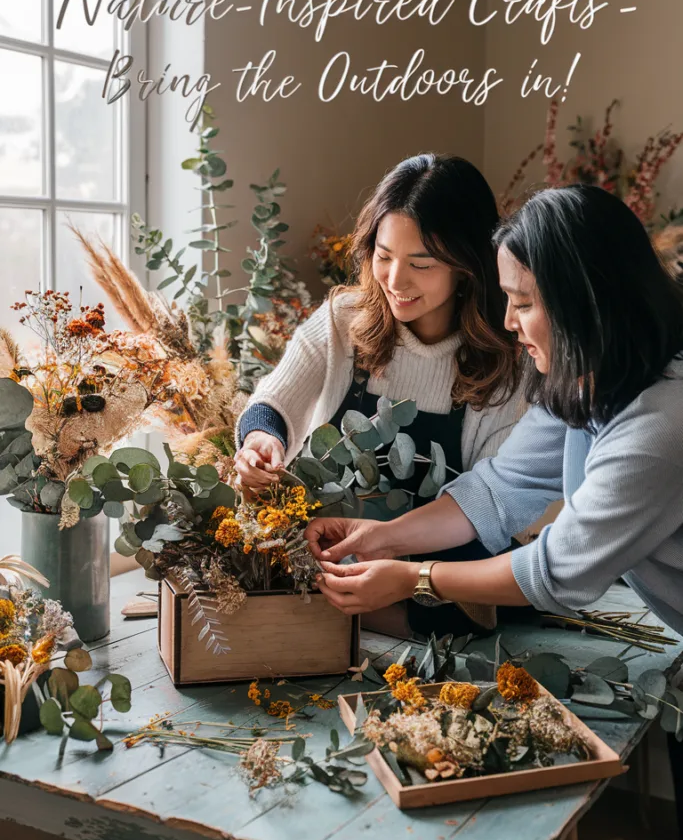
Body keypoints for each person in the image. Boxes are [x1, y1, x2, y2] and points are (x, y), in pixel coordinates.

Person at [306, 184, 683, 639]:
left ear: (586, 304)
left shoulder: (659, 429)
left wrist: (415, 579)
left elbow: (559, 571)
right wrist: (381, 537)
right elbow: (500, 487)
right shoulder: (586, 379)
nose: (508, 321)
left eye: (523, 303)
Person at [233, 153, 525, 636]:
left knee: (480, 577)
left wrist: (395, 563)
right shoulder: (345, 319)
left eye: (421, 264)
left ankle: (344, 615)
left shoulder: (505, 367)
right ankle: (332, 606)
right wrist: (262, 441)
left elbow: (487, 505)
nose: (395, 281)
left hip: (419, 572)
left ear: (467, 266)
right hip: (321, 544)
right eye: (384, 256)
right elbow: (273, 401)